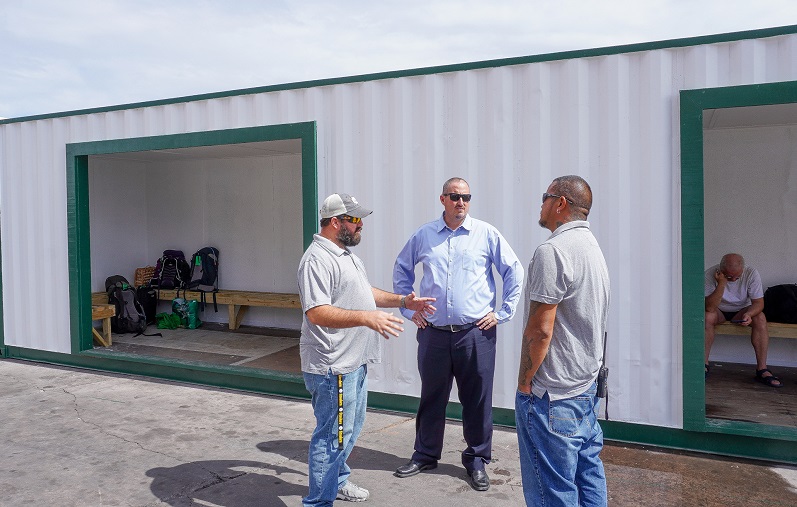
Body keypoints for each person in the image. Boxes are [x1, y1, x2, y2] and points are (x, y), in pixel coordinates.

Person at [298, 193, 436, 506]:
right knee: (332, 436)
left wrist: (403, 301)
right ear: (335, 222)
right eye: (355, 220)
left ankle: (337, 481)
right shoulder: (316, 260)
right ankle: (319, 502)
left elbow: (363, 292)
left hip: (354, 362)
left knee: (349, 430)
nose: (362, 226)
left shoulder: (345, 255)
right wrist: (366, 318)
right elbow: (317, 312)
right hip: (333, 366)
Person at [392, 177, 524, 492]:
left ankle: (476, 461)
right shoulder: (424, 236)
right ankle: (424, 454)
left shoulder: (486, 234)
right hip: (434, 334)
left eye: (465, 196)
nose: (460, 202)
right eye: (454, 196)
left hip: (475, 334)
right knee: (431, 397)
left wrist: (503, 312)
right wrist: (410, 311)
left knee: (477, 400)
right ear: (443, 199)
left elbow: (513, 270)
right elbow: (401, 270)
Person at [515, 175, 610, 506]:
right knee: (587, 476)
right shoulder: (591, 248)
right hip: (584, 387)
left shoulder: (553, 251)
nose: (540, 204)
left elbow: (541, 330)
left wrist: (525, 383)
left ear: (560, 203)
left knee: (552, 490)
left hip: (553, 394)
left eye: (545, 196)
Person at [704, 253, 782, 387]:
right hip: (718, 310)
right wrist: (722, 283)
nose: (733, 280)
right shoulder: (710, 273)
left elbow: (759, 303)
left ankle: (762, 369)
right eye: (729, 276)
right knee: (707, 317)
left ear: (743, 269)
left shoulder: (751, 273)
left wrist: (749, 314)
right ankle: (703, 364)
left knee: (760, 317)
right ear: (721, 270)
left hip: (741, 310)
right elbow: (710, 307)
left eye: (737, 277)